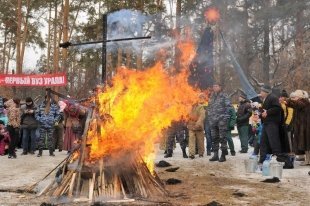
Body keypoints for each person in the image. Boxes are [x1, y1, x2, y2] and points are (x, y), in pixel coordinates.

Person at [208, 82, 232, 162]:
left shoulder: (224, 96)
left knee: (222, 138)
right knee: (214, 138)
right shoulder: (212, 96)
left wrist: (225, 118)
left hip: (221, 121)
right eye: (213, 86)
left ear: (220, 87)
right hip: (213, 121)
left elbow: (229, 107)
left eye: (216, 86)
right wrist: (210, 116)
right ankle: (215, 154)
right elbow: (209, 107)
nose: (214, 87)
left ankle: (223, 155)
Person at [258, 85, 282, 164]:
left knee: (274, 141)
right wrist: (258, 110)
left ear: (266, 92)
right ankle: (262, 159)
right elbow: (265, 110)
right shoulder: (265, 99)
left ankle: (279, 159)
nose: (260, 92)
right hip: (266, 123)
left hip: (272, 123)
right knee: (263, 142)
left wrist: (267, 112)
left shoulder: (273, 97)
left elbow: (277, 108)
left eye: (262, 91)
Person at [286, 90, 310, 165]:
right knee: (306, 145)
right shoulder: (300, 102)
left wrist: (291, 99)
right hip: (303, 127)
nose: (294, 98)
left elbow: (298, 104)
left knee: (307, 144)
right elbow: (291, 105)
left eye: (295, 96)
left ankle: (308, 160)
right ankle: (307, 160)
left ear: (299, 97)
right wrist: (289, 100)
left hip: (306, 127)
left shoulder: (304, 102)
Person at [187, 93, 206, 159]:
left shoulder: (200, 107)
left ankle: (201, 153)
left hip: (199, 126)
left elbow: (202, 116)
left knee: (200, 140)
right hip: (191, 125)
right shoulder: (189, 107)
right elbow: (186, 116)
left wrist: (198, 123)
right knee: (191, 140)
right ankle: (191, 154)